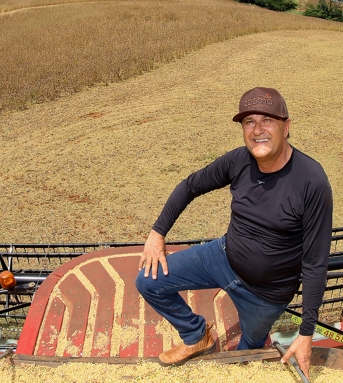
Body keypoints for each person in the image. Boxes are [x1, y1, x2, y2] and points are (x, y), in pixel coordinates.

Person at [135, 87, 332, 374]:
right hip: (224, 257)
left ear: (286, 127)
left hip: (266, 296)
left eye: (267, 120)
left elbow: (315, 264)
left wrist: (306, 333)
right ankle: (196, 334)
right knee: (148, 281)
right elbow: (190, 186)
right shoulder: (239, 160)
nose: (257, 130)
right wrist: (157, 234)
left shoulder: (312, 182)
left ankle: (247, 352)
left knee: (243, 361)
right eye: (249, 121)